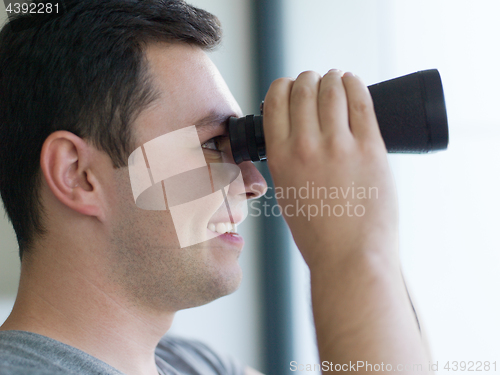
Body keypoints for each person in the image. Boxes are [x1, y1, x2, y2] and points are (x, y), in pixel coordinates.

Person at [0, 0, 431, 374]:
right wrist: (353, 252)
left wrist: (369, 239)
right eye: (211, 144)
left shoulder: (196, 364)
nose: (254, 182)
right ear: (78, 175)